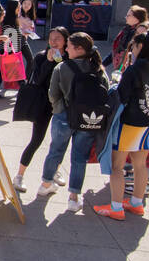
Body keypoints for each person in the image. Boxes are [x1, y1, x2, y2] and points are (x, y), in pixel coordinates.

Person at [93, 30, 149, 219]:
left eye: (133, 46)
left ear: (140, 47)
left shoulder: (135, 69)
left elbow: (122, 95)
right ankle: (136, 203)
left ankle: (116, 207)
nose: (132, 50)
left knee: (117, 166)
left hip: (129, 122)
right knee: (140, 164)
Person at [36, 31, 109, 211]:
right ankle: (73, 197)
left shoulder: (62, 68)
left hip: (64, 116)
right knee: (79, 158)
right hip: (88, 119)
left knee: (55, 151)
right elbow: (105, 91)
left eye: (68, 45)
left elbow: (53, 94)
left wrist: (60, 108)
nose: (66, 48)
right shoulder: (98, 68)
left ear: (79, 49)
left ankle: (46, 184)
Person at [12, 26, 69, 193]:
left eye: (58, 38)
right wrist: (49, 62)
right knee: (36, 140)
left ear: (65, 40)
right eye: (51, 38)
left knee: (60, 142)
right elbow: (36, 80)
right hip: (43, 105)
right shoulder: (41, 57)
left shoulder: (68, 58)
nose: (54, 42)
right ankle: (19, 176)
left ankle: (56, 171)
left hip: (61, 106)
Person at [110, 5, 149, 70]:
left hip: (130, 68)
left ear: (136, 19)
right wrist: (103, 64)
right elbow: (117, 50)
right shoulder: (126, 30)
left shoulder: (137, 33)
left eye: (128, 16)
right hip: (122, 66)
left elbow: (127, 52)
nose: (126, 17)